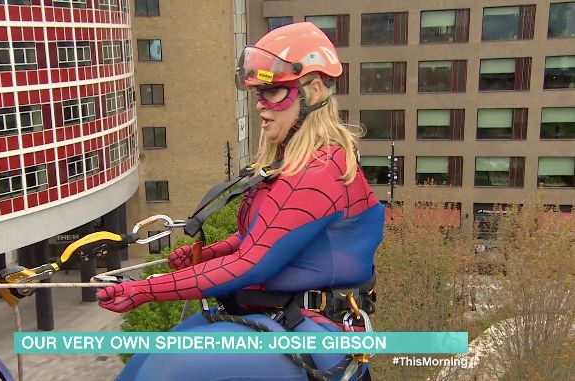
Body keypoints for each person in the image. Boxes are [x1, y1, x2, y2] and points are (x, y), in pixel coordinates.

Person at [98, 22, 385, 381]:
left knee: (166, 370)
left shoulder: (320, 172)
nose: (262, 108)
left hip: (313, 333)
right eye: (259, 95)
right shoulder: (288, 164)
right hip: (275, 318)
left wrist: (144, 289)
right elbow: (268, 237)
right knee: (144, 364)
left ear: (312, 91)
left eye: (275, 93)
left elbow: (253, 262)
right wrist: (215, 251)